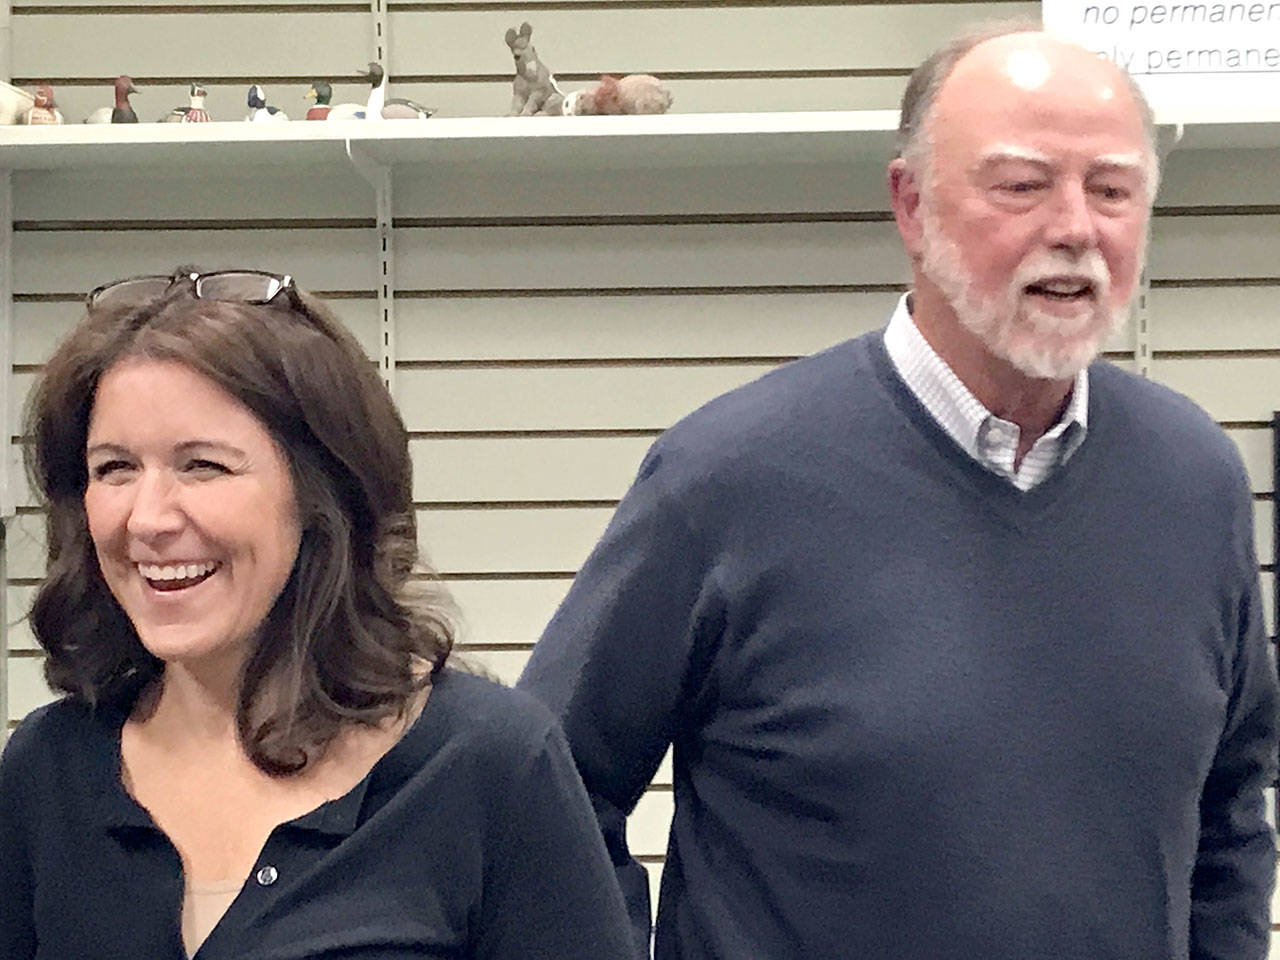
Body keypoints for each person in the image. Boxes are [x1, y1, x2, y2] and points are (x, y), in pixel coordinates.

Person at [519, 26, 1280, 960]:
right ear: (911, 206)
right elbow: (543, 804)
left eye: (1113, 189)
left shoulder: (1195, 480)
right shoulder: (728, 478)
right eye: (1023, 184)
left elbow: (1229, 814)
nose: (1077, 228)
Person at [0, 268, 635, 960]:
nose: (147, 518)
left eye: (203, 466)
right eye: (115, 468)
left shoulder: (491, 768)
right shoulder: (46, 775)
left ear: (320, 494)